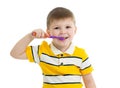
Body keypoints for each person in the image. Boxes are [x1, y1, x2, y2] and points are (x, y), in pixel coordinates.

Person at [10, 7, 96, 88]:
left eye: (68, 27)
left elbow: (89, 82)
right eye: (57, 28)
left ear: (75, 30)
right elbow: (15, 53)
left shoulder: (81, 54)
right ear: (49, 32)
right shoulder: (42, 51)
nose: (63, 31)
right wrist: (30, 36)